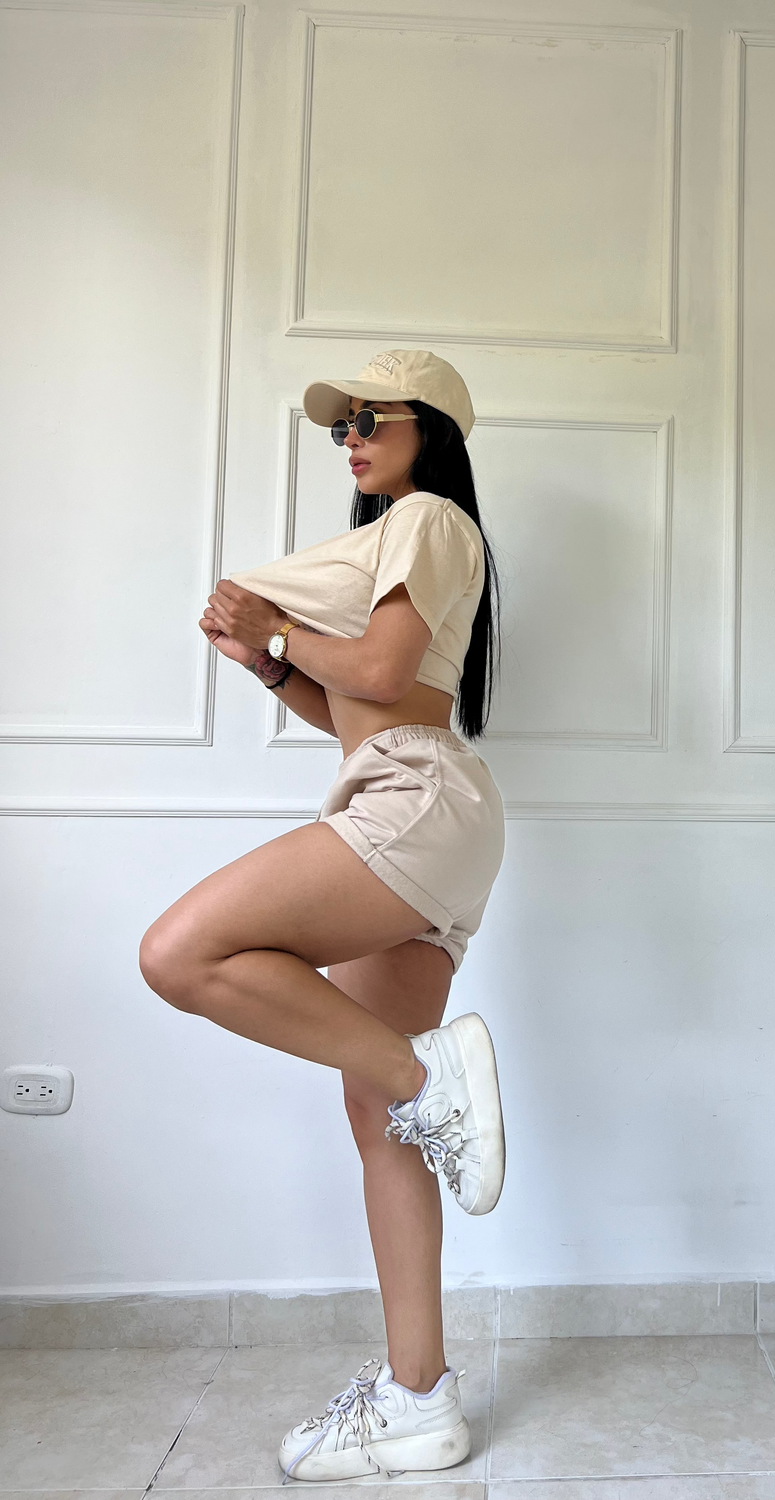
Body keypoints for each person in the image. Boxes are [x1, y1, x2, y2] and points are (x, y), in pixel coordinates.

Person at [138, 349, 506, 1483]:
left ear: (428, 427)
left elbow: (384, 672)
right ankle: (419, 1399)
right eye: (338, 426)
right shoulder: (399, 538)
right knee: (381, 1115)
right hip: (419, 800)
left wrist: (278, 627)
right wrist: (267, 664)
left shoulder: (429, 516)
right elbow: (358, 703)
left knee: (180, 953)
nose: (349, 438)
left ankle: (430, 1077)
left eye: (368, 418)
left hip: (413, 800)